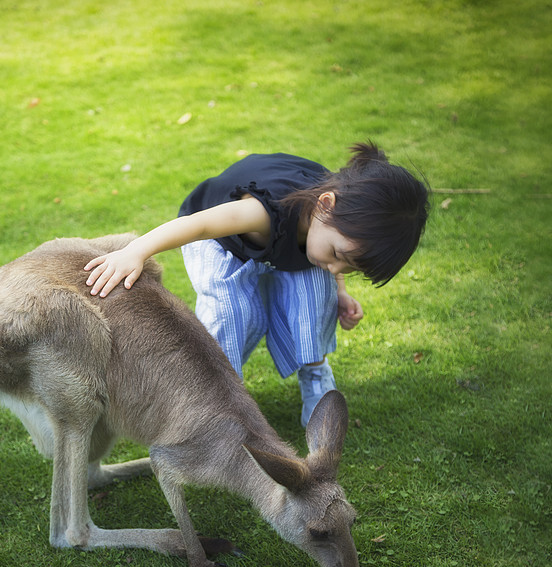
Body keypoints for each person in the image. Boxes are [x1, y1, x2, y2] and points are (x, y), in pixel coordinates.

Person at [84, 142, 429, 426]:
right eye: (338, 254)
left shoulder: (335, 225)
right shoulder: (261, 212)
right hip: (220, 241)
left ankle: (315, 377)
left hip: (287, 242)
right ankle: (215, 399)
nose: (336, 266)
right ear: (326, 205)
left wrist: (338, 290)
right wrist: (136, 251)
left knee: (315, 293)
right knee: (234, 312)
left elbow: (336, 258)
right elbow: (200, 226)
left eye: (349, 266)